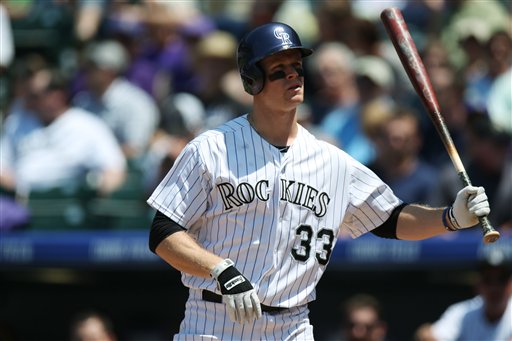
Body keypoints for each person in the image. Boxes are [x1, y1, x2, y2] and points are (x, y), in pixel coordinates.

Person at [146, 22, 492, 341]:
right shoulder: (211, 148)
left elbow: (391, 219)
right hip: (215, 320)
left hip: (292, 325)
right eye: (278, 71)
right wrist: (218, 268)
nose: (293, 77)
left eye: (297, 67)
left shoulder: (332, 161)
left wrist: (450, 217)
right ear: (252, 80)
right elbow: (163, 232)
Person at [0, 68, 126, 196]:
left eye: (35, 96)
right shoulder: (17, 123)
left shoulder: (87, 126)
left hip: (68, 203)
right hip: (21, 202)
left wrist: (99, 190)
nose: (28, 101)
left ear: (57, 96)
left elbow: (114, 168)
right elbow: (2, 163)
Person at [427, 251, 512, 341]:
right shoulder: (464, 312)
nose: (494, 288)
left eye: (501, 280)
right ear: (478, 284)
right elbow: (426, 335)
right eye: (488, 280)